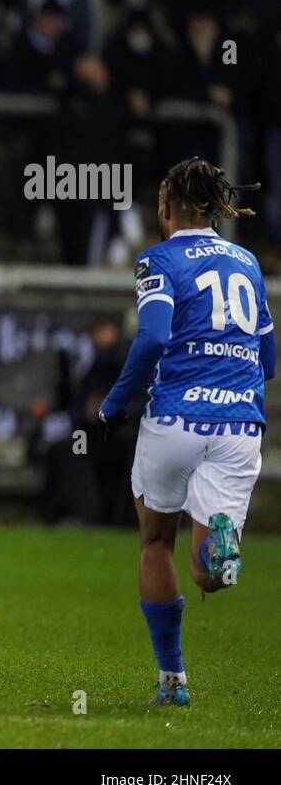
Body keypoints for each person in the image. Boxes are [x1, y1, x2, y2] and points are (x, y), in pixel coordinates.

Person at [99, 159, 274, 707]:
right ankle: (222, 555)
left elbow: (151, 339)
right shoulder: (247, 263)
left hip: (175, 420)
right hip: (239, 426)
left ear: (168, 207)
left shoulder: (159, 259)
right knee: (206, 575)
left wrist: (113, 403)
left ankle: (172, 683)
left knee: (155, 544)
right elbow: (268, 360)